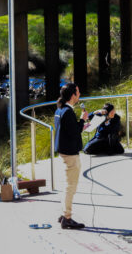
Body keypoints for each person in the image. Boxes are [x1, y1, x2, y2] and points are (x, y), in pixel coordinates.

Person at [54, 82, 88, 230]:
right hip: (70, 153)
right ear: (73, 95)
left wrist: (80, 123)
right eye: (78, 92)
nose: (79, 95)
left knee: (68, 184)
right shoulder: (67, 111)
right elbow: (74, 132)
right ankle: (67, 218)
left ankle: (64, 214)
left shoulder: (60, 109)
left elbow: (68, 130)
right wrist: (82, 120)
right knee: (71, 185)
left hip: (64, 151)